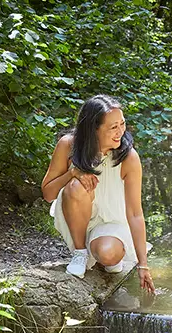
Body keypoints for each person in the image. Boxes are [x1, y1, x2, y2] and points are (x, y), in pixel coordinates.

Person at [41, 94, 155, 294]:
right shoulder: (68, 145)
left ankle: (108, 255)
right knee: (76, 186)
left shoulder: (128, 157)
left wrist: (142, 264)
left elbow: (135, 213)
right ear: (93, 129)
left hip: (111, 221)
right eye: (113, 127)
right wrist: (72, 173)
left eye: (122, 124)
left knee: (108, 254)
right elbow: (48, 194)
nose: (121, 132)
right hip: (77, 216)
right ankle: (80, 253)